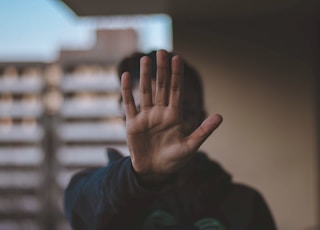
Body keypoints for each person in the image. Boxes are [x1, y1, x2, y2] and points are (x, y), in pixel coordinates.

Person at [64, 50, 276, 230]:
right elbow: (80, 208)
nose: (161, 124)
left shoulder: (244, 204)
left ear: (200, 116)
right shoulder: (101, 196)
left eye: (179, 110)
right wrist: (142, 176)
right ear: (125, 120)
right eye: (145, 111)